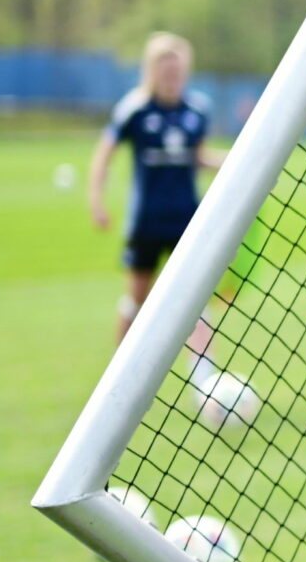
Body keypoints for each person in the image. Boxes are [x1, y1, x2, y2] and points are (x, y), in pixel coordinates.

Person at [88, 33, 228, 356]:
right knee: (137, 300)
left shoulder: (197, 109)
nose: (171, 78)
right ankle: (119, 370)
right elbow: (104, 154)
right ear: (151, 71)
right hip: (147, 222)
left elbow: (199, 157)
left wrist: (235, 162)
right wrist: (97, 200)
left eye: (177, 72)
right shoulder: (134, 109)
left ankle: (203, 377)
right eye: (165, 71)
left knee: (196, 299)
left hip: (187, 221)